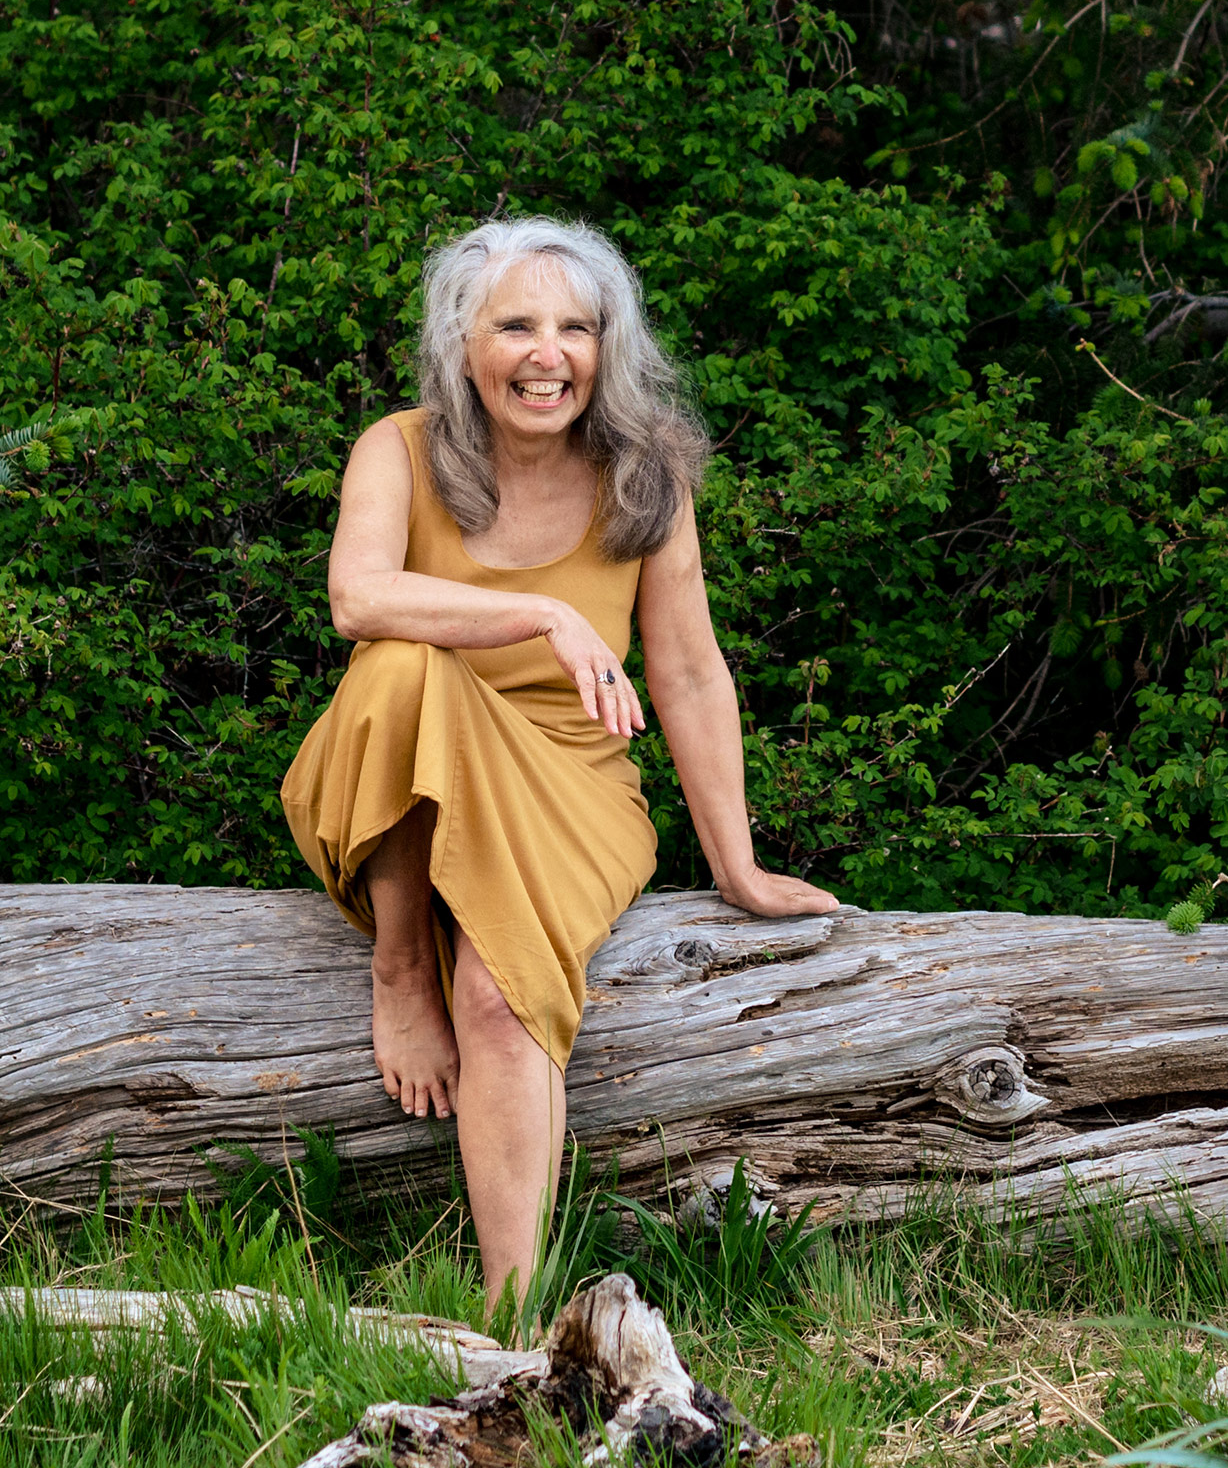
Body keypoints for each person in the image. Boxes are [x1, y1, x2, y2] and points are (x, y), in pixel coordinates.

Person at [281, 214, 836, 1321]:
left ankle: (512, 1324)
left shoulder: (644, 474)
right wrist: (538, 612)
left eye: (575, 327)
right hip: (407, 767)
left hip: (574, 783)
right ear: (462, 343)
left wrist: (739, 865)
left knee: (496, 996)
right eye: (518, 325)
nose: (549, 354)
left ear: (606, 345)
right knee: (401, 668)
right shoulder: (396, 448)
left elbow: (684, 671)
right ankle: (399, 963)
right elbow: (356, 598)